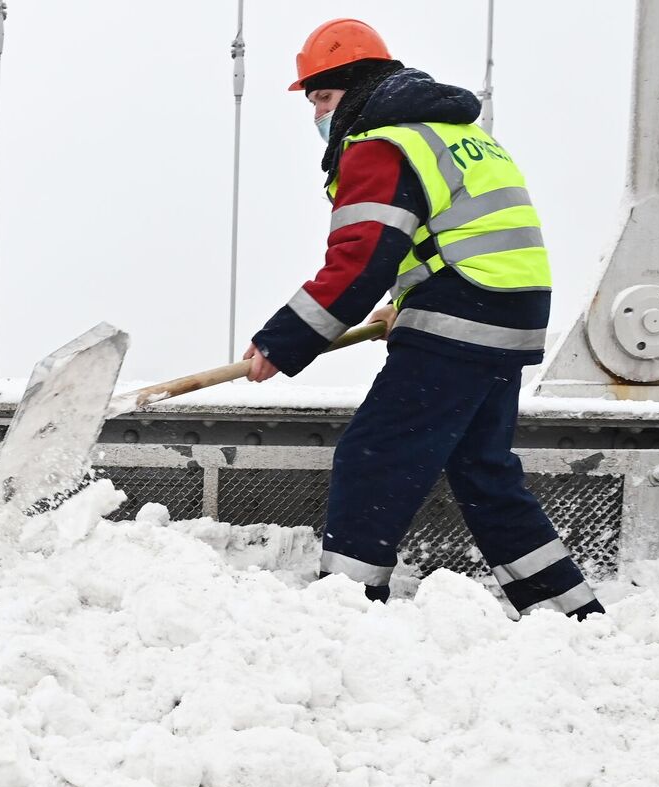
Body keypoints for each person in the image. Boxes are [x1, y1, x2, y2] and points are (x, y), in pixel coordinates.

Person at [243, 18, 603, 619]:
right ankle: (570, 612)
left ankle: (347, 608)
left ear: (359, 88)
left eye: (325, 99)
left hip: (460, 317)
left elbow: (359, 261)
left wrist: (283, 341)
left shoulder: (383, 145)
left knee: (374, 454)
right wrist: (408, 303)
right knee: (483, 470)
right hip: (504, 315)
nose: (317, 117)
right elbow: (455, 237)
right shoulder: (458, 136)